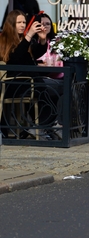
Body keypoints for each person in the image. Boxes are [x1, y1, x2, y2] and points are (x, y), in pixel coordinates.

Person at [0, 10, 61, 140]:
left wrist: (42, 40)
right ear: (11, 24)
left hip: (29, 81)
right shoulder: (4, 39)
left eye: (24, 22)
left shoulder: (23, 39)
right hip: (14, 84)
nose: (23, 25)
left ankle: (44, 125)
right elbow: (15, 58)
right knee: (54, 88)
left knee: (57, 88)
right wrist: (29, 36)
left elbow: (34, 54)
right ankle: (44, 126)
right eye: (19, 22)